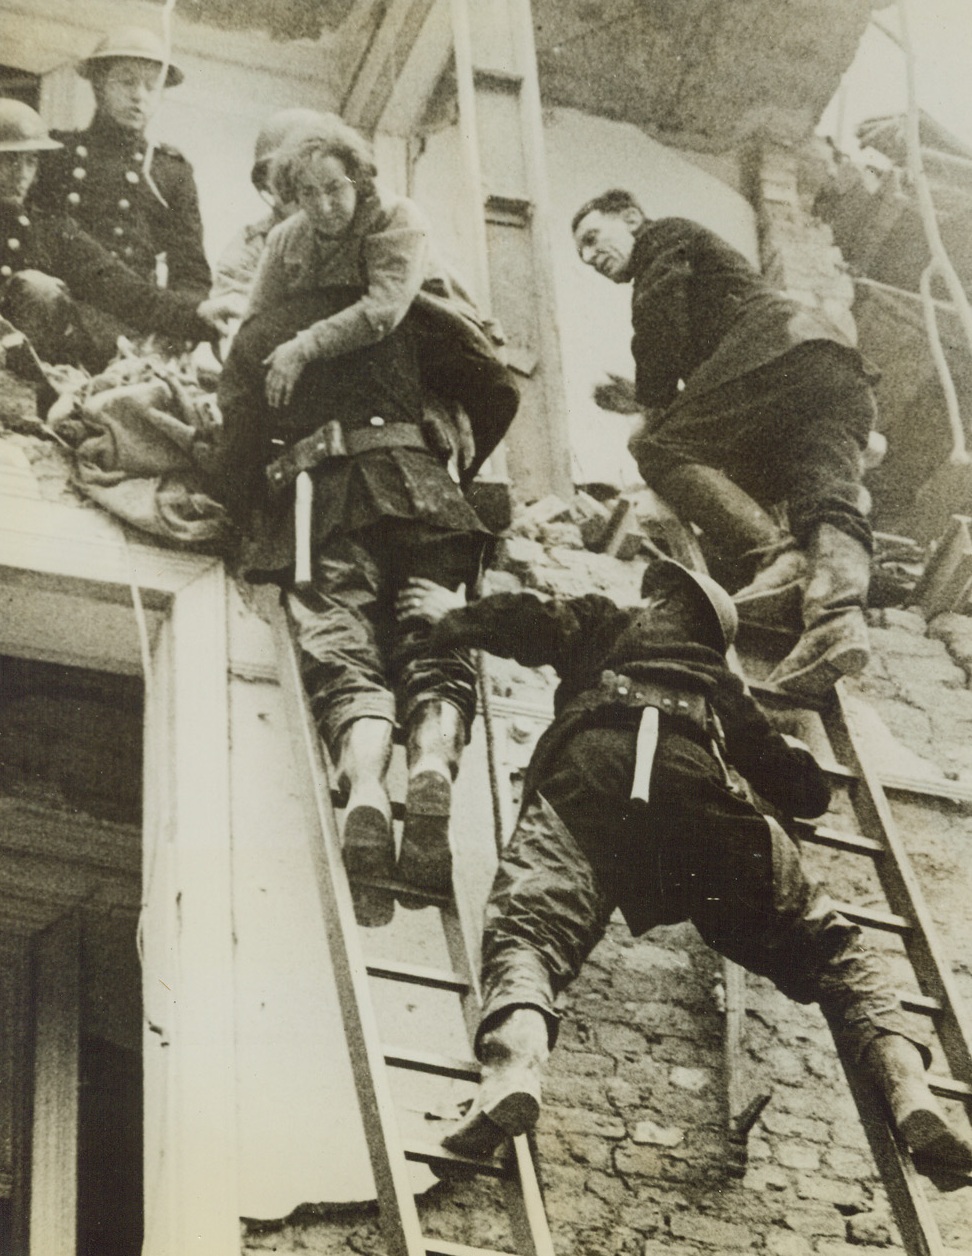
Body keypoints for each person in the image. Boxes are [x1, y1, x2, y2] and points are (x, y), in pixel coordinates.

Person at [397, 559, 972, 1182]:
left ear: (663, 595)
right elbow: (801, 790)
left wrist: (449, 620)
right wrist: (802, 763)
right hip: (697, 790)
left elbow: (530, 620)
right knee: (834, 954)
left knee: (529, 934)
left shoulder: (608, 621)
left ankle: (512, 1074)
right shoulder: (722, 684)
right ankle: (912, 1093)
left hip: (593, 776)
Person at [214, 119, 519, 926]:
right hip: (425, 488)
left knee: (341, 641)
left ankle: (365, 785)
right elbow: (496, 385)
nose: (320, 207)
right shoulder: (424, 311)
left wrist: (242, 507)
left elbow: (238, 433)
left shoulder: (266, 333)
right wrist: (462, 466)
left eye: (332, 191)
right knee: (440, 632)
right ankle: (435, 764)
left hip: (324, 502)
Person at [571, 188, 879, 698]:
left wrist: (649, 409)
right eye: (582, 253)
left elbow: (658, 314)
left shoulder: (663, 236)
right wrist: (643, 396)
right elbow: (708, 369)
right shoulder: (705, 271)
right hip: (833, 373)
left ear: (630, 217)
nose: (589, 256)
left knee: (659, 450)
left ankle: (779, 559)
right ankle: (837, 620)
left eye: (592, 238)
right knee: (825, 493)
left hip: (778, 352)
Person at [246, 112, 519, 488]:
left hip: (435, 342)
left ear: (357, 180)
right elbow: (257, 320)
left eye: (334, 188)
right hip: (351, 353)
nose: (323, 206)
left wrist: (301, 348)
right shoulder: (285, 239)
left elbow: (382, 311)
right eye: (308, 193)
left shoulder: (396, 217)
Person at [0, 100, 233, 372]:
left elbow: (123, 289)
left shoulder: (51, 228)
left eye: (31, 161)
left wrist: (196, 314)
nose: (21, 175)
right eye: (8, 160)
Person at [32, 26, 210, 297]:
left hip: (131, 316)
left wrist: (167, 334)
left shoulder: (170, 171)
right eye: (127, 82)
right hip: (57, 306)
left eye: (152, 86)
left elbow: (191, 275)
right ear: (99, 85)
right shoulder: (57, 152)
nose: (139, 95)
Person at [209, 107, 325, 320]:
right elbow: (233, 324)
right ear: (266, 184)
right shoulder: (251, 245)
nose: (298, 187)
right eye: (282, 176)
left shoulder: (364, 229)